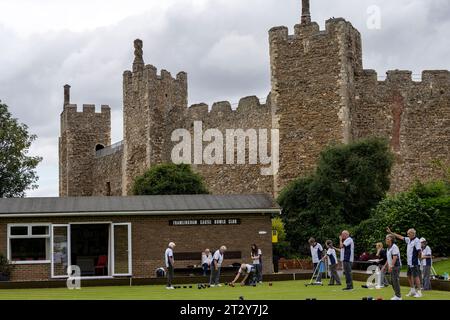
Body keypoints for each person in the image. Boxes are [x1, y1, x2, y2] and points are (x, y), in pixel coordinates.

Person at [387, 227, 423, 298]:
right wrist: (391, 233)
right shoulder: (408, 240)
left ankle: (419, 291)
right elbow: (400, 237)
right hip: (409, 262)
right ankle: (412, 290)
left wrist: (418, 259)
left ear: (413, 233)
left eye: (409, 233)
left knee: (416, 276)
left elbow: (419, 251)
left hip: (414, 262)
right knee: (409, 276)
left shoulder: (417, 240)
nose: (407, 234)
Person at [382, 234, 402, 300]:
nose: (386, 240)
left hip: (396, 266)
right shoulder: (388, 248)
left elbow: (395, 257)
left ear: (391, 240)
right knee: (392, 281)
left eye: (387, 239)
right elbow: (388, 258)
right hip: (392, 266)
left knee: (395, 280)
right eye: (386, 239)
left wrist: (391, 266)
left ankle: (398, 296)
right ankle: (397, 295)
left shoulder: (394, 247)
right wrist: (385, 266)